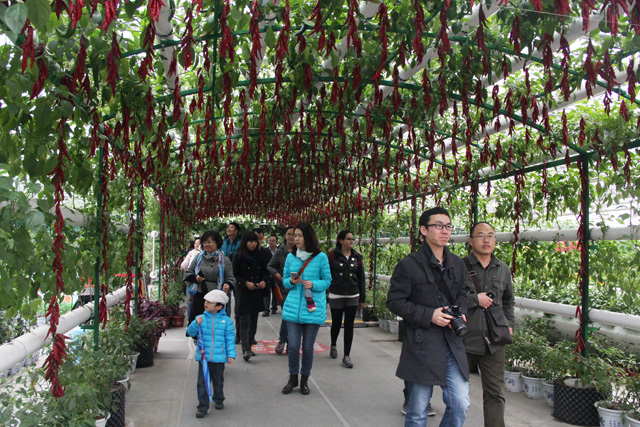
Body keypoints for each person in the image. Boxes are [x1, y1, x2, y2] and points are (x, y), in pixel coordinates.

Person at [387, 207, 470, 427]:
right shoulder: (409, 265)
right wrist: (429, 315)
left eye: (448, 226)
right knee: (418, 410)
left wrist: (460, 312)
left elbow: (464, 293)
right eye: (438, 226)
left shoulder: (457, 264)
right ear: (423, 230)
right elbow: (394, 301)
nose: (445, 231)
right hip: (422, 343)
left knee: (460, 404)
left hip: (452, 343)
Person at [464, 222, 515, 427]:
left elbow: (508, 301)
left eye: (491, 236)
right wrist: (475, 300)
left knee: (495, 392)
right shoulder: (459, 267)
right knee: (455, 392)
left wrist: (509, 324)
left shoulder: (503, 269)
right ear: (471, 241)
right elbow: (450, 299)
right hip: (465, 339)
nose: (486, 240)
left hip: (494, 341)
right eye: (481, 236)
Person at [281, 222, 331, 395]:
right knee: (293, 346)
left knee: (308, 347)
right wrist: (291, 281)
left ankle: (304, 379)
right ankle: (292, 377)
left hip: (312, 309)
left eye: (300, 236)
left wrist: (313, 284)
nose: (296, 239)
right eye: (294, 235)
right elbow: (285, 281)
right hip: (293, 308)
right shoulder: (291, 257)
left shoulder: (321, 257)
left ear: (308, 237)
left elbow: (327, 281)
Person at [186, 289, 236, 418]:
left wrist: (231, 354)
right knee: (202, 383)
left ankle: (218, 398)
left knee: (218, 381)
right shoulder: (200, 318)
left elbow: (230, 339)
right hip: (204, 358)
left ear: (219, 307)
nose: (205, 304)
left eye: (209, 302)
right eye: (205, 301)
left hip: (219, 359)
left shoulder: (227, 322)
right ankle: (202, 406)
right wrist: (196, 324)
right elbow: (190, 332)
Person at [327, 230, 365, 368]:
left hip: (352, 295)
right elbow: (326, 274)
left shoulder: (357, 257)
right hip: (336, 294)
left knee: (349, 325)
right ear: (341, 241)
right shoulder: (333, 256)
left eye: (353, 239)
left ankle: (346, 355)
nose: (351, 241)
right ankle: (333, 344)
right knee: (336, 323)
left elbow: (361, 279)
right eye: (349, 239)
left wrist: (362, 298)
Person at [232, 232, 270, 361]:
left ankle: (249, 344)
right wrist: (245, 283)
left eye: (255, 241)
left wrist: (263, 281)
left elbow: (265, 272)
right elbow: (235, 274)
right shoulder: (239, 256)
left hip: (256, 291)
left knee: (253, 320)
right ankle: (245, 348)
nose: (253, 244)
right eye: (250, 241)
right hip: (243, 291)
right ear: (245, 242)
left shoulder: (261, 255)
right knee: (244, 320)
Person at [184, 230, 236, 323]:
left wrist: (227, 284)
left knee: (215, 325)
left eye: (209, 242)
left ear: (217, 243)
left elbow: (231, 278)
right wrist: (196, 278)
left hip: (216, 299)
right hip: (200, 295)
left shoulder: (224, 260)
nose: (206, 245)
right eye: (204, 242)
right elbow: (188, 273)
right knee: (198, 324)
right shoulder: (198, 257)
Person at [267, 226, 296, 355]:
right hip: (284, 288)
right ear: (285, 236)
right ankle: (284, 341)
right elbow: (270, 266)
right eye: (289, 234)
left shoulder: (300, 251)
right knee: (287, 315)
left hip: (297, 288)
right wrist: (277, 274)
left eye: (294, 234)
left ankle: (288, 342)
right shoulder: (280, 251)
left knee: (293, 317)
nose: (291, 237)